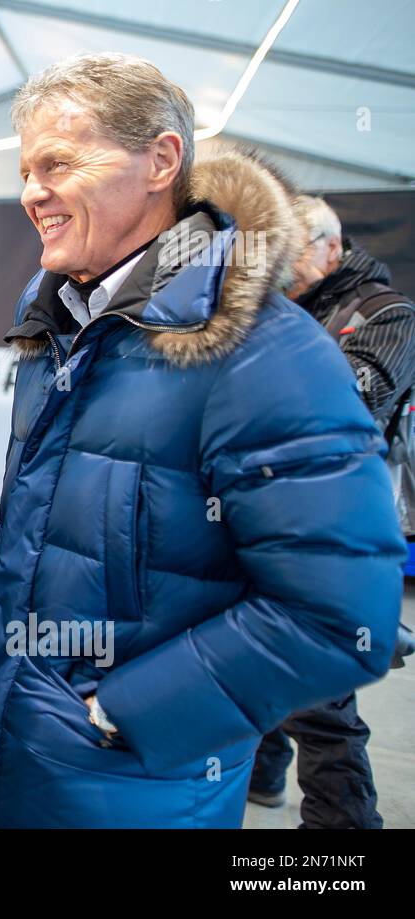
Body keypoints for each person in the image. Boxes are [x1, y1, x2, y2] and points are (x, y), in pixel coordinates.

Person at [0, 53, 404, 828]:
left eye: (59, 163)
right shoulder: (57, 326)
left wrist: (128, 712)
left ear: (161, 160)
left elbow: (343, 617)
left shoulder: (267, 351)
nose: (33, 193)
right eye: (27, 170)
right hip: (8, 750)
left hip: (138, 789)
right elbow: (38, 523)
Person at [248, 195, 415, 826]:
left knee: (319, 690)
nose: (279, 267)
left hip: (339, 525)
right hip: (270, 515)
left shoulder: (385, 313)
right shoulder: (285, 308)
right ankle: (263, 777)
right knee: (256, 656)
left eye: (292, 252)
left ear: (331, 249)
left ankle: (341, 829)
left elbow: (348, 402)